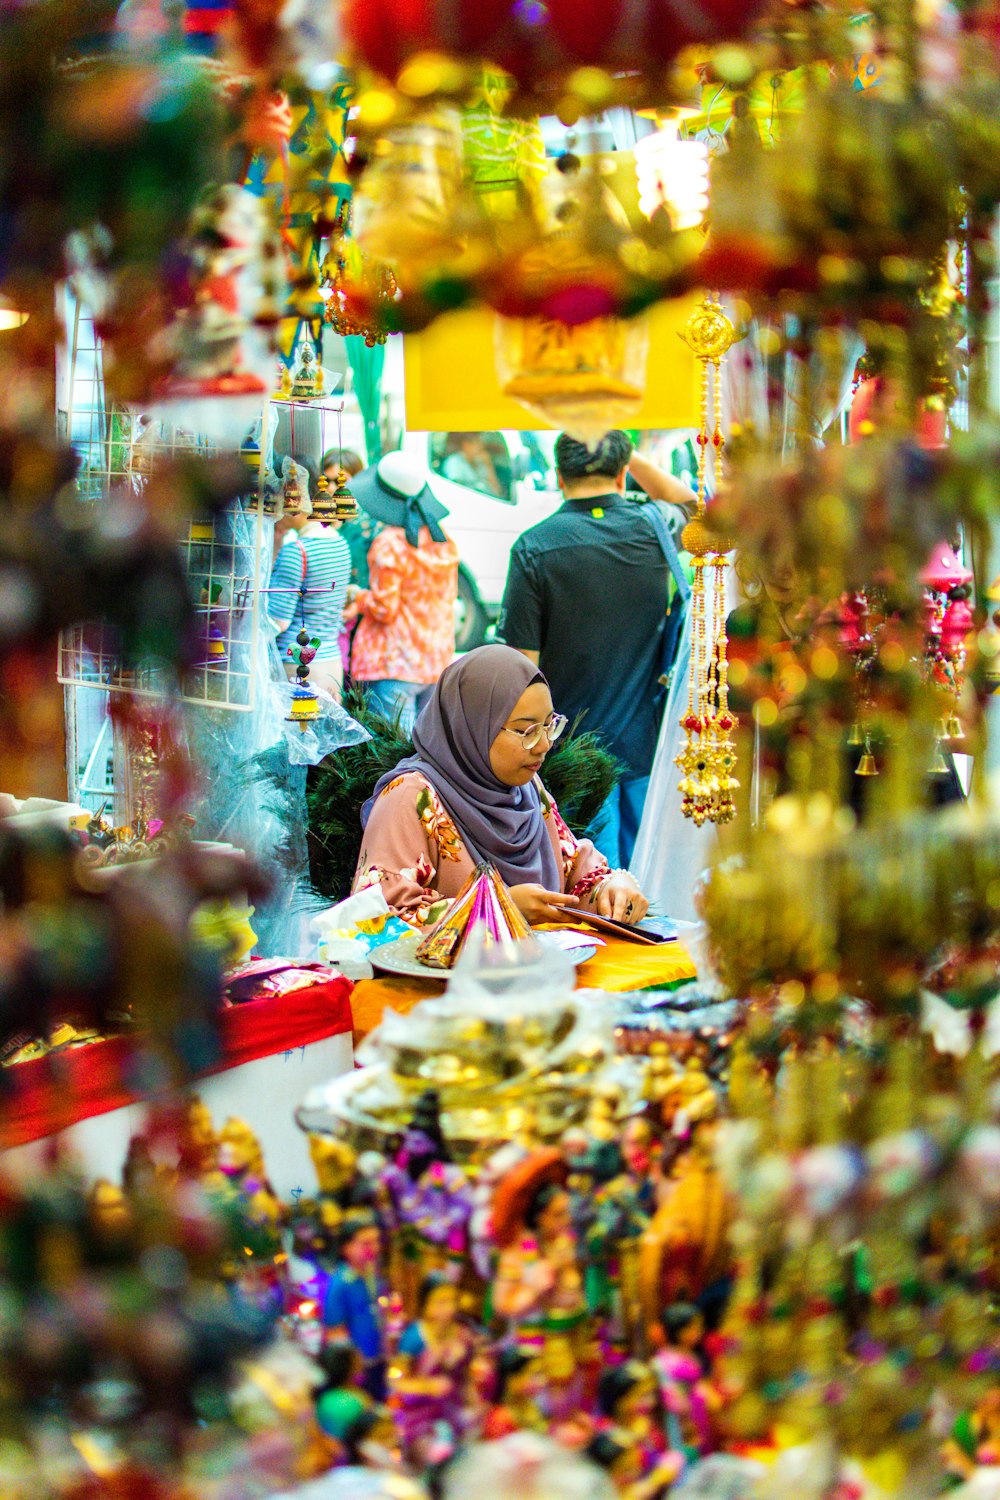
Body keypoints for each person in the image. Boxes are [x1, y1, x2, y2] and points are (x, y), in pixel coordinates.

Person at [497, 430, 695, 869]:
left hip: (574, 754)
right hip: (648, 745)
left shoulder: (534, 546)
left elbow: (522, 670)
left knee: (593, 891)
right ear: (625, 474)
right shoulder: (655, 527)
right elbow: (693, 505)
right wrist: (623, 450)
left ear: (557, 476)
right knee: (646, 885)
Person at [353, 644, 649, 928]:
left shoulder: (527, 790)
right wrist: (495, 909)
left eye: (549, 725)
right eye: (526, 731)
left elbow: (574, 873)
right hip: (443, 980)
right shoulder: (411, 798)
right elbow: (376, 920)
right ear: (473, 726)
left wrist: (611, 889)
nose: (544, 745)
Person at [344, 453, 461, 734]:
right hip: (435, 661)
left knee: (393, 753)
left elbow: (384, 608)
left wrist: (357, 596)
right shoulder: (442, 538)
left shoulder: (390, 543)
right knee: (423, 751)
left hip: (393, 662)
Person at [268, 459, 352, 700]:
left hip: (298, 665)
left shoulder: (298, 551)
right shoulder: (339, 543)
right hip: (332, 663)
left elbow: (278, 621)